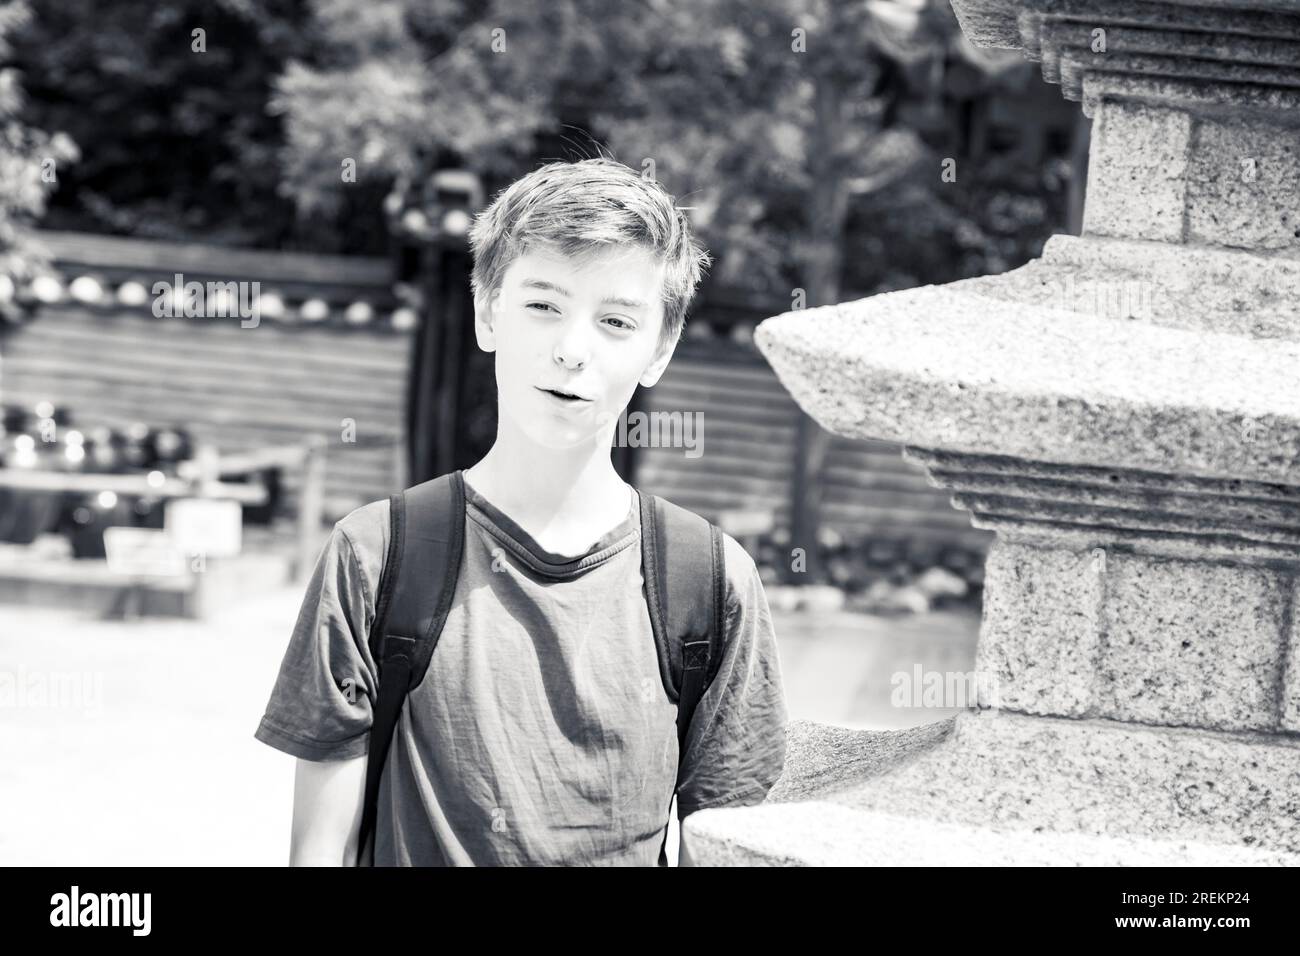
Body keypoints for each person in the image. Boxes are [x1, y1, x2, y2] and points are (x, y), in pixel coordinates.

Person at [254, 157, 788, 866]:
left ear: (660, 349)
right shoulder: (376, 555)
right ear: (487, 311)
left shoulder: (709, 582)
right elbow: (318, 853)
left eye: (616, 320)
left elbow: (728, 847)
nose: (572, 350)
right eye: (544, 305)